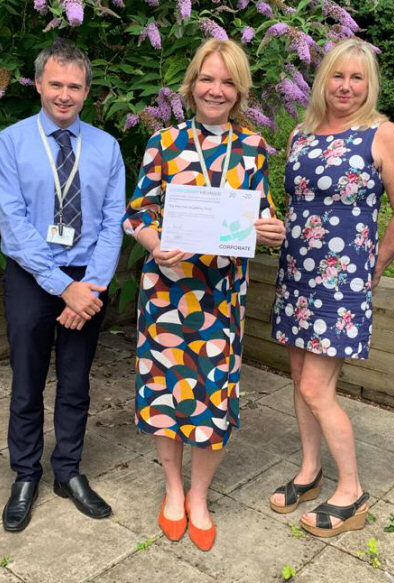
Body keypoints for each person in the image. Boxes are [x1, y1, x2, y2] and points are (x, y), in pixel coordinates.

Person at [123, 38, 285, 551]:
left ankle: (199, 495)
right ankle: (172, 490)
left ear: (240, 91)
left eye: (228, 81)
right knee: (168, 394)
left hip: (221, 298)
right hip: (169, 293)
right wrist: (154, 242)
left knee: (213, 399)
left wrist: (271, 230)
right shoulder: (164, 143)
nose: (216, 90)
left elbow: (264, 213)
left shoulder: (256, 148)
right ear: (191, 85)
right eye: (207, 79)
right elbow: (138, 212)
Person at [268, 38, 394, 538]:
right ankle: (310, 472)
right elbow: (299, 205)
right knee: (300, 379)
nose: (346, 87)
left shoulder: (382, 135)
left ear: (369, 85)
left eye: (357, 78)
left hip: (341, 283)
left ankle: (351, 491)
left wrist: (372, 269)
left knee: (316, 386)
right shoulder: (302, 134)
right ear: (323, 79)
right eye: (338, 76)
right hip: (297, 275)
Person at [0, 39, 124, 531]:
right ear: (39, 85)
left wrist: (89, 287)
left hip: (87, 279)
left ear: (86, 91)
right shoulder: (11, 142)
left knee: (75, 383)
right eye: (55, 84)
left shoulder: (108, 148)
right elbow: (13, 222)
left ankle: (67, 471)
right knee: (26, 382)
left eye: (74, 86)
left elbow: (114, 222)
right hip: (31, 277)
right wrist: (58, 285)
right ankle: (25, 473)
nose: (64, 95)